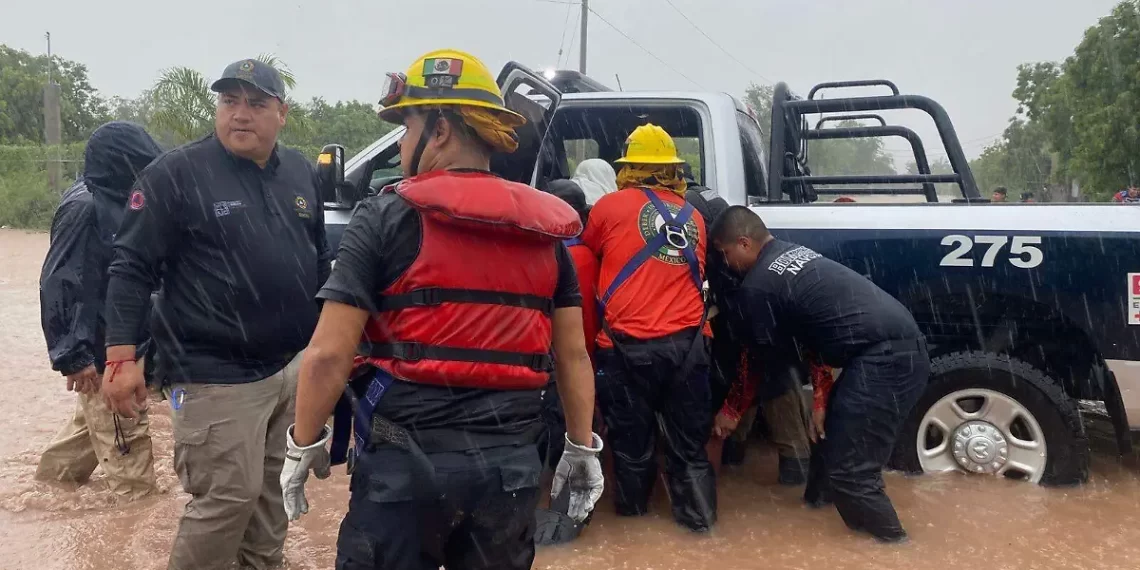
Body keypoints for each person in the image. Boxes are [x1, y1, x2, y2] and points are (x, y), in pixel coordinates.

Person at [278, 49, 604, 570]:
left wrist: (303, 443)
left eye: (407, 127)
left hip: (404, 474)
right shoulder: (543, 234)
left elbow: (327, 355)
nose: (402, 143)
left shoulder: (383, 217)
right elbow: (573, 356)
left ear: (441, 129)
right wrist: (582, 447)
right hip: (509, 474)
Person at [102, 58, 331, 570]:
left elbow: (319, 260)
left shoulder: (299, 171)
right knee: (227, 498)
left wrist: (327, 354)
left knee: (274, 492)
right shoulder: (175, 174)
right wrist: (120, 358)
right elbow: (130, 267)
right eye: (229, 101)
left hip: (291, 368)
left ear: (282, 113)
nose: (240, 114)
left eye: (256, 103)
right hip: (212, 374)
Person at [710, 206, 929, 543]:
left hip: (886, 359)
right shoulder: (792, 253)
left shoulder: (759, 287)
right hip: (889, 350)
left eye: (725, 253)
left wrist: (731, 410)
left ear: (743, 243)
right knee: (827, 448)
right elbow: (814, 337)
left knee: (852, 472)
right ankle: (820, 522)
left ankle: (896, 549)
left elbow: (757, 360)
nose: (725, 264)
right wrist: (821, 400)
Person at [582, 124, 716, 532]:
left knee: (631, 450)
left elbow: (590, 254)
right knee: (690, 451)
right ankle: (701, 534)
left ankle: (633, 533)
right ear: (673, 168)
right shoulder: (695, 216)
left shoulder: (607, 208)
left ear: (629, 167)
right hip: (689, 349)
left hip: (625, 351)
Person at [36, 121, 162, 500]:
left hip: (122, 344)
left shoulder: (121, 201)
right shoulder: (85, 207)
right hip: (104, 354)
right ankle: (132, 526)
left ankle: (46, 492)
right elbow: (61, 282)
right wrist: (73, 356)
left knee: (88, 431)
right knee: (131, 467)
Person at [540, 178, 600, 471]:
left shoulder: (544, 257)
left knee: (554, 447)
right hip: (591, 364)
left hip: (554, 368)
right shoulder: (594, 255)